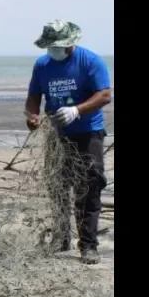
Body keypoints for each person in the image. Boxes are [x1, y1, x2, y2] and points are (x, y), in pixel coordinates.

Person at [24, 20, 112, 265]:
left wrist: (77, 110)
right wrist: (31, 116)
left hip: (88, 133)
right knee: (58, 186)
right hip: (57, 135)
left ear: (70, 43)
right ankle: (61, 237)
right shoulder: (42, 65)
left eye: (58, 45)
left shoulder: (90, 61)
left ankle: (88, 246)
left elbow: (105, 95)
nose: (54, 50)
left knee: (89, 186)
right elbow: (33, 97)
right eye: (49, 46)